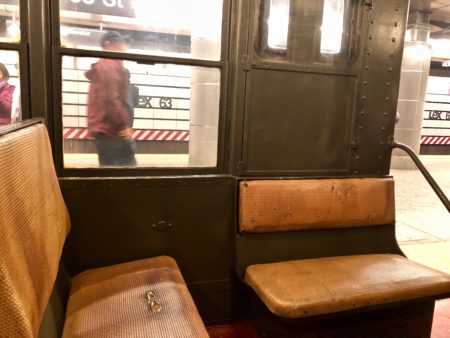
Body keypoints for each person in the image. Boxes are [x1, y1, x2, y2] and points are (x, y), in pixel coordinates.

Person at [85, 31, 136, 166]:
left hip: (107, 132)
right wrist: (123, 125)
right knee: (128, 178)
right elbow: (111, 100)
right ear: (108, 45)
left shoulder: (107, 66)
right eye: (121, 43)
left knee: (110, 174)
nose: (125, 47)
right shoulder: (109, 65)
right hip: (113, 132)